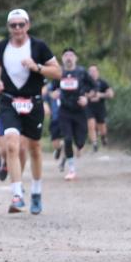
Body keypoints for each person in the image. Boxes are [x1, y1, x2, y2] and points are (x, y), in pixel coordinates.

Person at [0, 9, 61, 214]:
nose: (18, 29)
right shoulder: (1, 47)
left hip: (33, 102)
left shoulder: (39, 47)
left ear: (28, 26)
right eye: (13, 25)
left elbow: (57, 72)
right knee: (12, 144)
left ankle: (37, 192)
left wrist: (37, 67)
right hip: (9, 102)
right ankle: (17, 194)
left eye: (21, 24)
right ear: (9, 28)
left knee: (35, 148)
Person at [49, 48, 94, 181]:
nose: (68, 57)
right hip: (64, 110)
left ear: (75, 58)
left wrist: (87, 98)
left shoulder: (82, 72)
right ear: (62, 59)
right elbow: (52, 90)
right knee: (68, 139)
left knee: (80, 142)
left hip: (79, 111)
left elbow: (94, 87)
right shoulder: (59, 73)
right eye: (66, 55)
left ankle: (69, 148)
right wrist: (54, 94)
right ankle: (71, 169)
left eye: (71, 55)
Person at [87, 64, 114, 151]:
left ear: (98, 72)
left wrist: (100, 95)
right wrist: (89, 96)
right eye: (90, 71)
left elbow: (111, 94)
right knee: (91, 125)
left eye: (94, 71)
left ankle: (103, 137)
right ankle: (94, 144)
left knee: (101, 126)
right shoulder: (85, 83)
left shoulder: (102, 82)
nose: (92, 73)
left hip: (100, 108)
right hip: (88, 107)